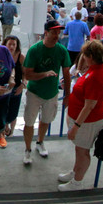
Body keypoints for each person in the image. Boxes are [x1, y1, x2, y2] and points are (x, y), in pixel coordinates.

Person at [58, 39, 103, 191]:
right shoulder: (96, 68)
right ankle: (75, 172)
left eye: (85, 56)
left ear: (91, 57)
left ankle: (77, 182)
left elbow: (89, 106)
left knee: (83, 151)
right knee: (79, 149)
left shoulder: (96, 76)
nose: (83, 58)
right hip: (84, 119)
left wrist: (75, 126)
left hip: (88, 122)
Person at [23, 20, 72, 165]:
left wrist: (68, 95)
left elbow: (67, 73)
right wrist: (44, 74)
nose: (57, 35)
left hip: (52, 93)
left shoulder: (62, 50)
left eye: (58, 32)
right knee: (29, 122)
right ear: (46, 33)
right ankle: (27, 149)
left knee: (46, 120)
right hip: (34, 93)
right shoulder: (35, 50)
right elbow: (28, 75)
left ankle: (40, 142)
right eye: (54, 32)